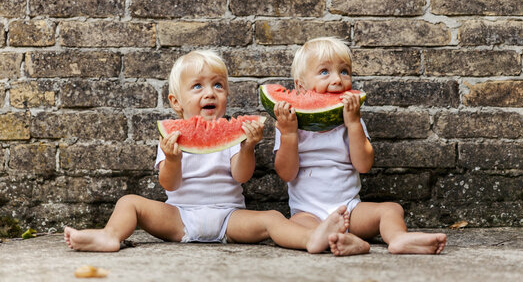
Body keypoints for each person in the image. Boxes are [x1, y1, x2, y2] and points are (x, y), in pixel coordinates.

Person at [64, 50, 348, 253]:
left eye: (218, 86)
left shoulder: (234, 134)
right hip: (180, 218)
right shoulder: (173, 136)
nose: (209, 93)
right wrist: (173, 159)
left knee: (272, 218)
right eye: (197, 86)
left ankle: (314, 238)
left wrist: (248, 146)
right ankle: (110, 236)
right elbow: (169, 184)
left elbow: (241, 176)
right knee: (129, 202)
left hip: (229, 217)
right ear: (177, 102)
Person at [273, 37, 447, 256]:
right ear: (300, 86)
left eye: (344, 71)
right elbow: (286, 173)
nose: (337, 79)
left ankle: (398, 238)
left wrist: (354, 123)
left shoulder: (351, 120)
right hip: (308, 214)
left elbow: (363, 165)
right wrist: (289, 133)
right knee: (288, 227)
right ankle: (346, 241)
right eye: (324, 72)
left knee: (392, 209)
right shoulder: (289, 123)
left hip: (350, 209)